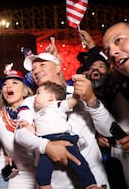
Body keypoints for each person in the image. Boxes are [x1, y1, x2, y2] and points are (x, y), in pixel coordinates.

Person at [15, 39, 113, 188]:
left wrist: (92, 99)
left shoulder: (78, 92)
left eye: (42, 65)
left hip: (93, 181)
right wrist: (47, 146)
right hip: (55, 184)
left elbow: (108, 131)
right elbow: (20, 135)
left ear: (58, 68)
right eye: (33, 69)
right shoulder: (30, 102)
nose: (36, 70)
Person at [83, 32, 129, 189]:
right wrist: (98, 132)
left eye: (102, 66)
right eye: (92, 68)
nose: (96, 69)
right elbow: (100, 117)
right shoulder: (104, 93)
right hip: (122, 155)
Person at [20, 81, 97, 189]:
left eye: (38, 93)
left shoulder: (57, 105)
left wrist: (76, 94)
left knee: (80, 164)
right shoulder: (36, 115)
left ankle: (91, 185)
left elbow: (71, 102)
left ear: (51, 97)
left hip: (64, 138)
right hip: (46, 144)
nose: (34, 97)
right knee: (42, 173)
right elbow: (34, 130)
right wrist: (27, 125)